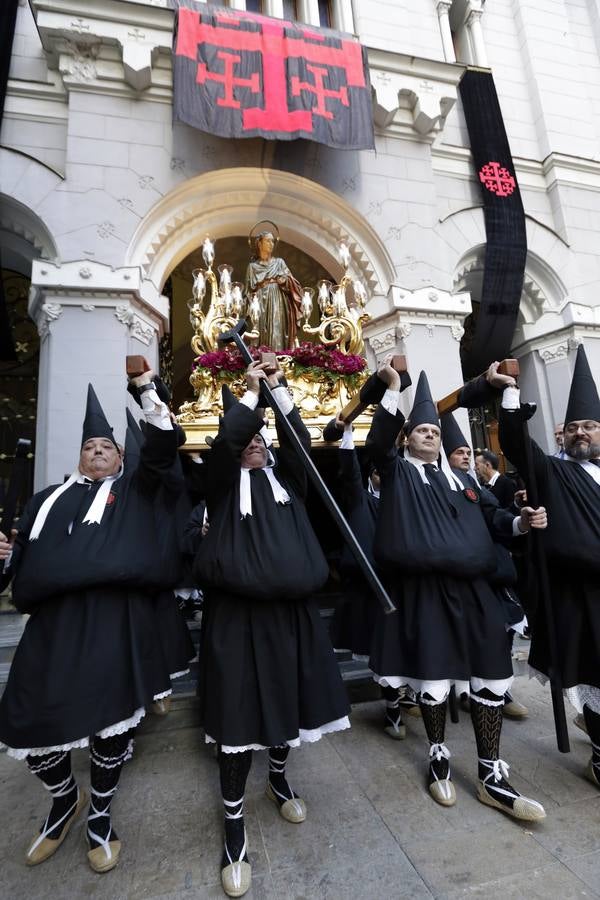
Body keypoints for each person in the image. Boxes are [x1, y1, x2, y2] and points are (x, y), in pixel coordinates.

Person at [0, 373, 184, 874]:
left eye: (107, 446)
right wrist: (5, 558)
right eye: (90, 446)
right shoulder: (44, 503)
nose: (98, 451)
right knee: (25, 725)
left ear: (122, 458)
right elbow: (15, 567)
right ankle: (65, 801)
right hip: (52, 626)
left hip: (113, 620)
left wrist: (149, 393)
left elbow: (164, 450)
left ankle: (99, 813)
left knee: (109, 727)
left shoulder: (137, 492)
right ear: (79, 456)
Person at [194, 360, 350, 897]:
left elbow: (298, 440)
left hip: (295, 615)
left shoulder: (290, 481)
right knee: (237, 714)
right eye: (247, 440)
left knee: (292, 701)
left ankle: (279, 778)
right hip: (237, 617)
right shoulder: (218, 481)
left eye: (262, 440)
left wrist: (279, 391)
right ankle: (234, 822)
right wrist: (253, 392)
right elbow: (230, 437)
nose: (255, 444)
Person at [366, 361, 546, 821]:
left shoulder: (465, 481)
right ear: (407, 438)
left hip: (475, 592)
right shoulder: (398, 473)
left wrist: (521, 523)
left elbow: (495, 520)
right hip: (424, 593)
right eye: (420, 430)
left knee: (490, 675)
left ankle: (491, 774)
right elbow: (376, 445)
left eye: (433, 430)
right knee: (434, 679)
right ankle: (438, 754)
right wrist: (389, 390)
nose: (429, 435)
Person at [493, 344, 600, 789]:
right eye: (573, 427)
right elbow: (518, 444)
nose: (580, 433)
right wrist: (511, 394)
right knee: (595, 677)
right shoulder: (556, 472)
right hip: (581, 594)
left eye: (590, 426)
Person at [441, 413, 530, 720]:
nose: (466, 456)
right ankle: (464, 690)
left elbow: (494, 514)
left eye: (468, 452)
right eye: (459, 452)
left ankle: (497, 690)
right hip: (455, 578)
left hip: (491, 575)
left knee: (501, 629)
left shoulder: (473, 485)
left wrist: (519, 518)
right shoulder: (433, 484)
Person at [244, 230, 303, 350]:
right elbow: (248, 291)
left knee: (277, 330)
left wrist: (285, 280)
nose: (271, 243)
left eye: (273, 241)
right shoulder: (252, 267)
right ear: (259, 244)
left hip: (278, 300)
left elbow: (293, 283)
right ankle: (262, 355)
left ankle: (279, 355)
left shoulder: (279, 263)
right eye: (268, 240)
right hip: (260, 303)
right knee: (261, 332)